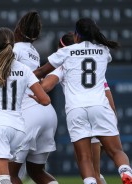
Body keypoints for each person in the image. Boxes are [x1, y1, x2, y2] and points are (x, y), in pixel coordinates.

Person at [33, 17, 132, 184]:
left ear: (77, 35)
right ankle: (125, 172)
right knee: (116, 151)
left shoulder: (66, 52)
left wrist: (24, 78)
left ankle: (90, 182)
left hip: (76, 109)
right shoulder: (103, 51)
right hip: (100, 106)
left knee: (84, 158)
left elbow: (43, 71)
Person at [0, 27, 50, 184]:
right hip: (18, 130)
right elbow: (45, 100)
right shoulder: (24, 69)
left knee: (2, 179)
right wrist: (33, 98)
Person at [42, 32, 109, 184]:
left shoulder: (64, 64)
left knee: (89, 171)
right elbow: (109, 98)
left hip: (81, 116)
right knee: (95, 172)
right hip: (98, 115)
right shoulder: (96, 65)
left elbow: (46, 86)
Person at [10, 11, 58, 184]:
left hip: (28, 113)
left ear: (17, 30)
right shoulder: (34, 52)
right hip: (47, 113)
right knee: (36, 172)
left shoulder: (14, 50)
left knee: (10, 173)